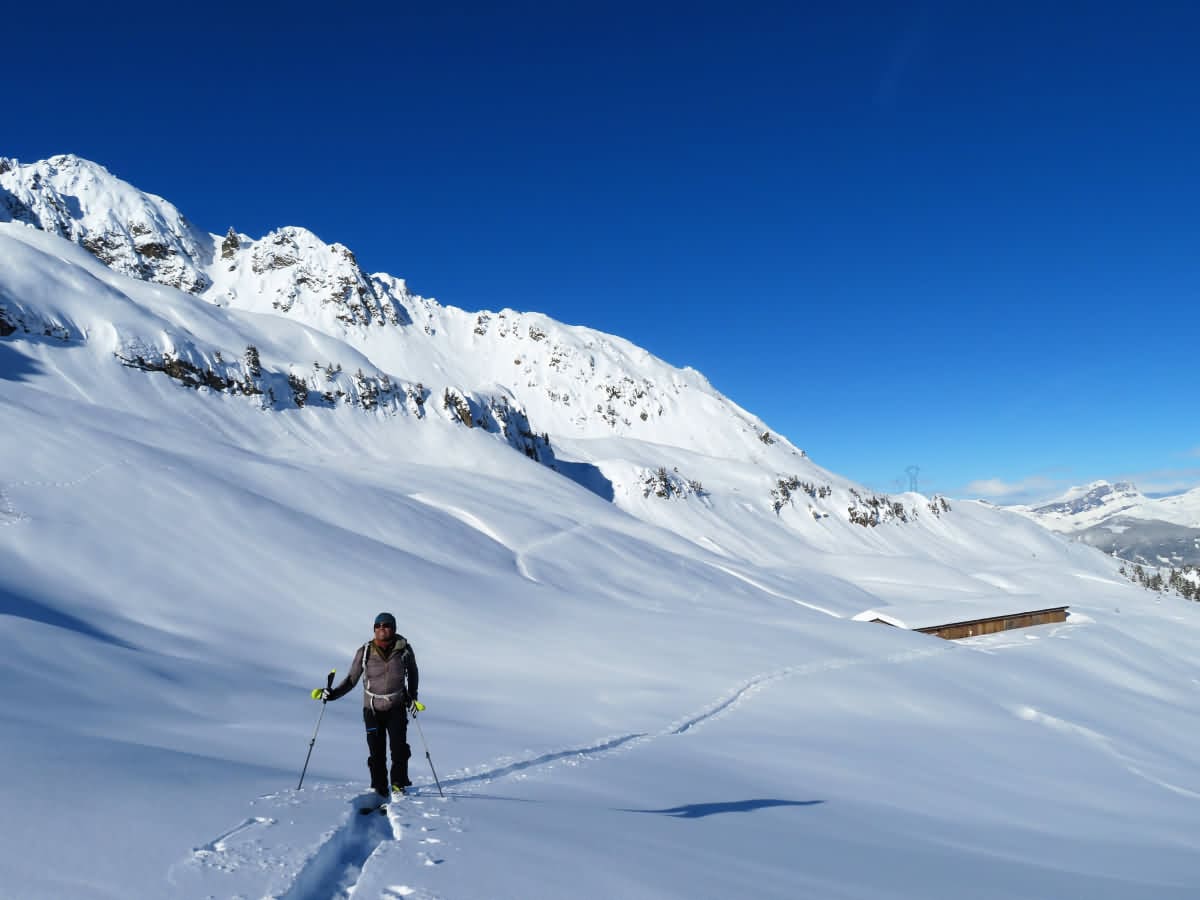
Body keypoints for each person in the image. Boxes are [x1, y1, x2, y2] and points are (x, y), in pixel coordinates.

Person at [312, 612, 421, 798]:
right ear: (373, 629)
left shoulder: (405, 650)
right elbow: (351, 680)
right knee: (376, 750)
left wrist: (412, 697)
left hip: (397, 707)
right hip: (371, 709)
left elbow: (413, 673)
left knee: (399, 748)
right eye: (377, 626)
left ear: (393, 628)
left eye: (386, 625)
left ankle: (398, 784)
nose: (381, 628)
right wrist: (332, 695)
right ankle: (379, 787)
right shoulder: (365, 651)